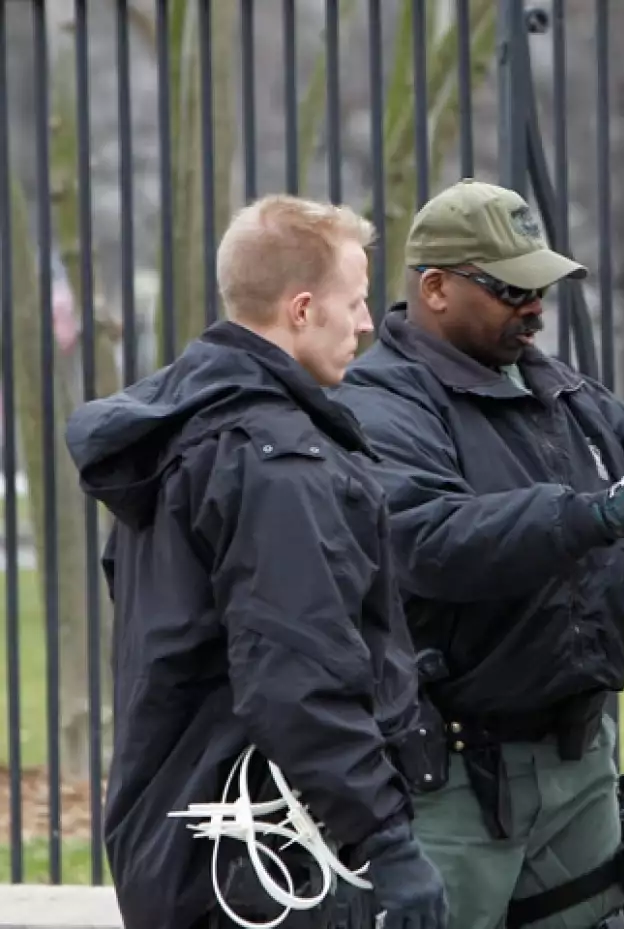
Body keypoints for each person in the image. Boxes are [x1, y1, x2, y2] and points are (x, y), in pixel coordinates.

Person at [64, 195, 448, 929]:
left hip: (180, 837)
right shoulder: (276, 462)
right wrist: (386, 839)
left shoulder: (182, 430)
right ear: (302, 309)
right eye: (355, 302)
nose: (368, 324)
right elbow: (297, 673)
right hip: (260, 856)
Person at [333, 178, 624, 929]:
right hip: (452, 779)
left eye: (540, 288)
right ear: (435, 288)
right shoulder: (378, 403)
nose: (534, 307)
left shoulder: (567, 394)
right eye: (511, 290)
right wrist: (592, 515)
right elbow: (426, 541)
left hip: (579, 760)